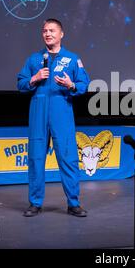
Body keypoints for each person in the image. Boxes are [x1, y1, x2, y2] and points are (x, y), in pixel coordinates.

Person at [17, 18, 90, 217]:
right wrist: (34, 78)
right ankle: (35, 203)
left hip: (61, 114)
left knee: (68, 159)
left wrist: (71, 85)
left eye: (52, 30)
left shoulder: (73, 59)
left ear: (61, 34)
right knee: (36, 159)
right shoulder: (34, 59)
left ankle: (73, 203)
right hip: (38, 114)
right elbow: (21, 83)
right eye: (44, 31)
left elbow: (84, 84)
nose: (47, 34)